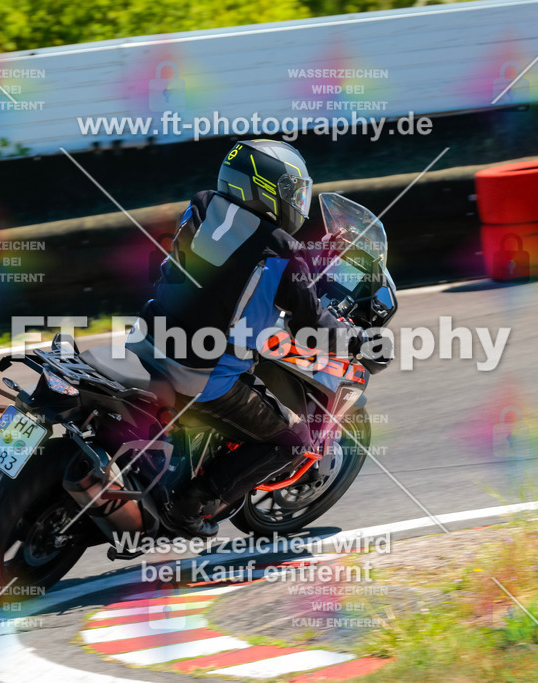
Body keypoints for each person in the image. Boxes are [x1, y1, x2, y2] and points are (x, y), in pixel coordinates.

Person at [128, 139, 388, 537]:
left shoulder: (201, 206)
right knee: (292, 440)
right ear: (267, 190)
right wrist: (356, 341)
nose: (297, 201)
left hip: (149, 335)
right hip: (201, 371)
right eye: (292, 191)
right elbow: (311, 327)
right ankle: (188, 507)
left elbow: (224, 272)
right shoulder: (281, 249)